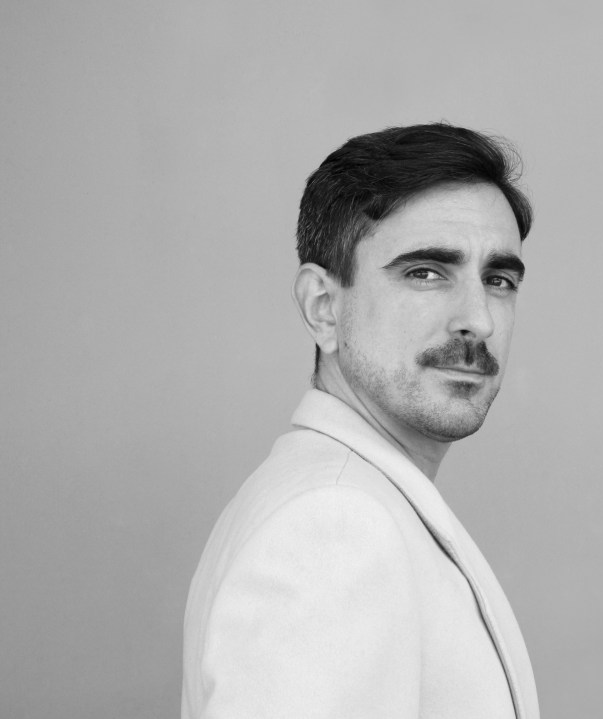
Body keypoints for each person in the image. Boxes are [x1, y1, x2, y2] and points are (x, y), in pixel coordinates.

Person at [181, 123, 539, 719]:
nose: (478, 319)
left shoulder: (347, 499)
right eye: (425, 272)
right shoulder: (332, 527)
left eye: (498, 280)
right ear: (323, 307)